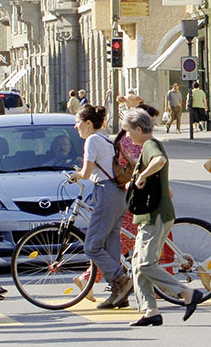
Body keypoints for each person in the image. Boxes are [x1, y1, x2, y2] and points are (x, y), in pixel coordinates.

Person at [123, 109, 204, 326]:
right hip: (150, 215)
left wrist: (141, 175)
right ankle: (150, 311)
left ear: (139, 129)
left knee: (146, 264)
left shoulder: (151, 145)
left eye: (129, 132)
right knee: (138, 262)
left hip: (155, 215)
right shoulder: (147, 146)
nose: (128, 136)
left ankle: (186, 293)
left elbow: (159, 161)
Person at [68, 105, 133, 309]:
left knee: (92, 246)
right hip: (117, 193)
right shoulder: (104, 138)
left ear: (88, 123)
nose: (75, 125)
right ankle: (119, 295)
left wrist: (74, 175)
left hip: (105, 192)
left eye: (78, 122)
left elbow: (86, 174)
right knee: (111, 245)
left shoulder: (92, 140)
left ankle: (121, 280)